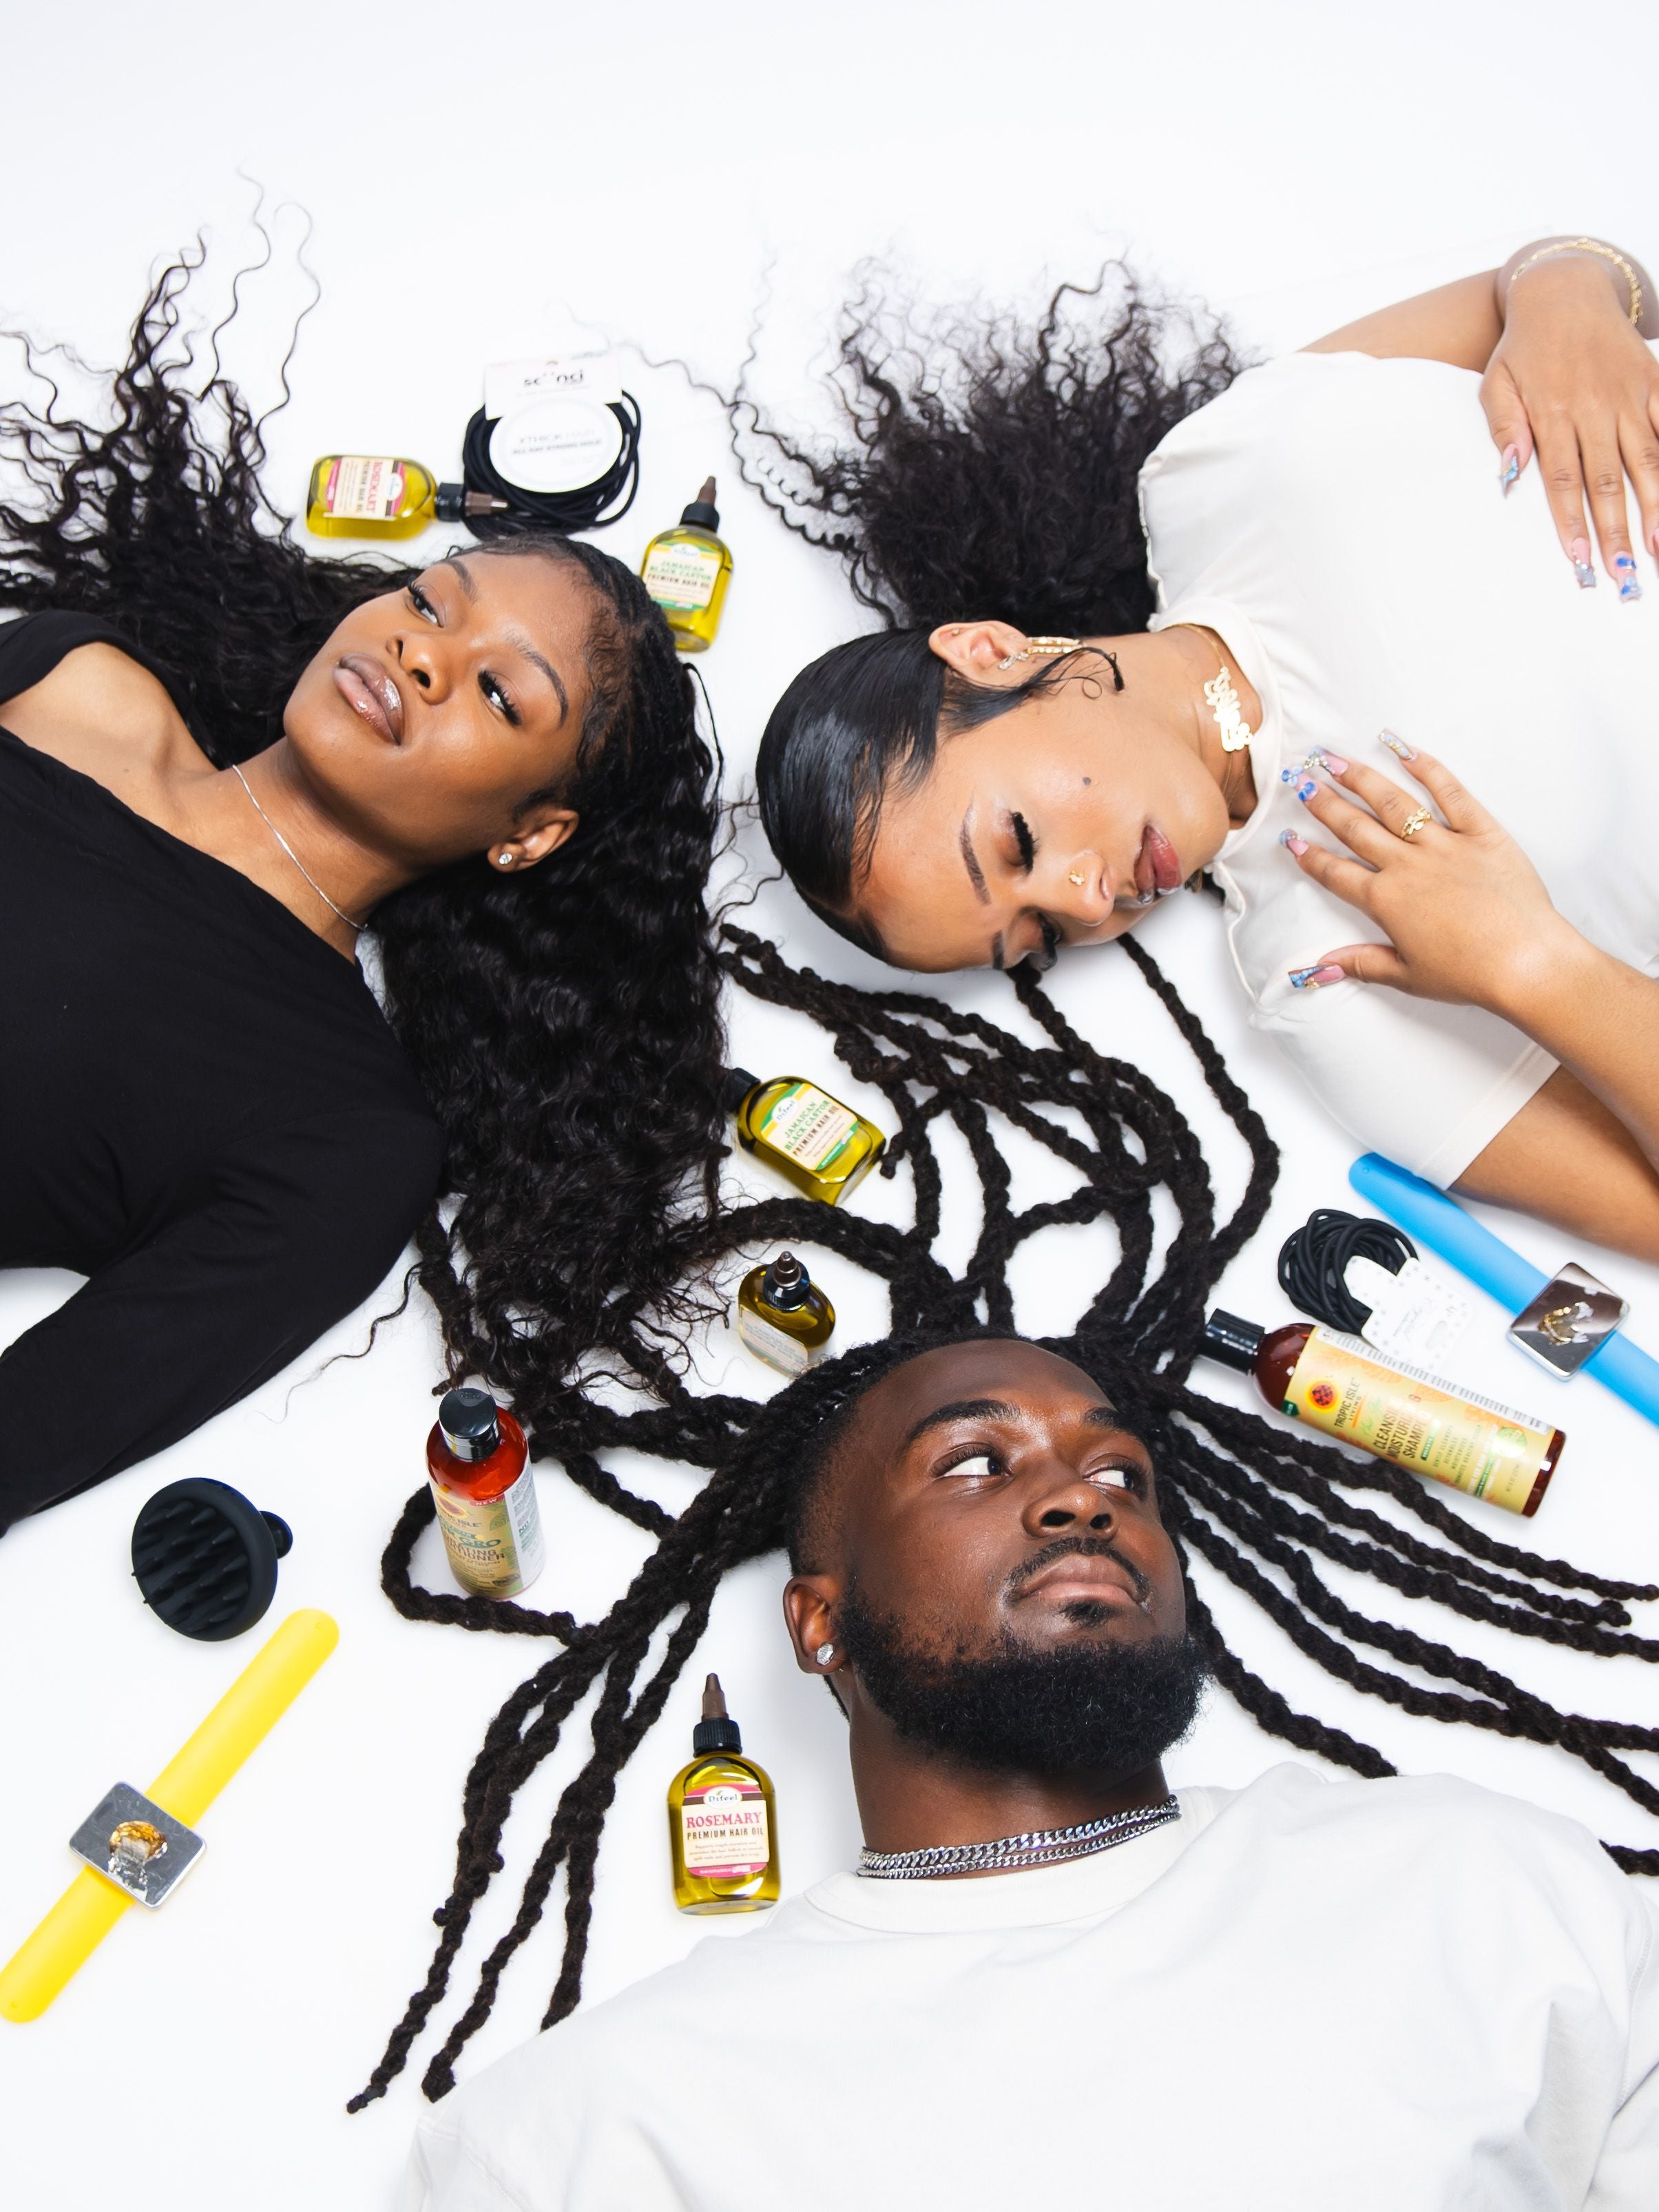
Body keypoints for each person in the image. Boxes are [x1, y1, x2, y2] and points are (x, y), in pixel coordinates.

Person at [401, 1333, 1659, 2209]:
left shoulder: (1479, 1879)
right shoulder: (600, 2129)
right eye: (972, 1464)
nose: (1081, 1500)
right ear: (818, 1623)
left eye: (1120, 1474)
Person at [751, 233, 1659, 1262]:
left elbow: (1574, 274)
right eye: (1039, 934)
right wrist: (1534, 967)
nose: (1090, 902)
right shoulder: (1333, 983)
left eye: (1016, 844)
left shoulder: (1218, 471)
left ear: (992, 654)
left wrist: (1567, 296)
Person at [0, 250, 725, 1528]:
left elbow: (36, 1427)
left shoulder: (339, 1139)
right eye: (428, 601)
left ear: (528, 834)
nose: (423, 655)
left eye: (502, 693)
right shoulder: (72, 676)